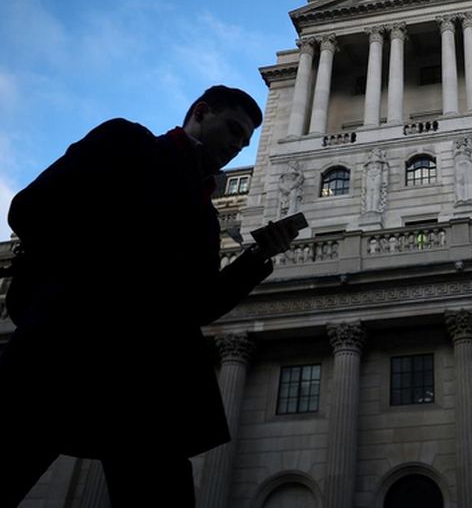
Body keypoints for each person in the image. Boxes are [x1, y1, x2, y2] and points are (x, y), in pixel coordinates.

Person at [0, 85, 296, 507]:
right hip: (68, 348)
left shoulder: (207, 219)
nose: (236, 145)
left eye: (244, 141)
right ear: (200, 111)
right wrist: (107, 278)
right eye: (232, 129)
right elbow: (30, 210)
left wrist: (258, 256)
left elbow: (200, 305)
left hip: (147, 380)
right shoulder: (127, 142)